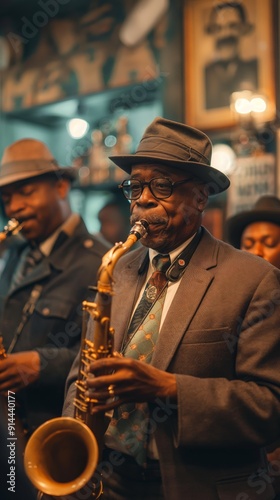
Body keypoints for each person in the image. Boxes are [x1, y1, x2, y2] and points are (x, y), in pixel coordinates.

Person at [63, 117, 280, 500]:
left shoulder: (255, 279)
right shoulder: (116, 268)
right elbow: (81, 369)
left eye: (161, 185)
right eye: (135, 186)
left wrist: (169, 389)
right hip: (108, 481)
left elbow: (271, 408)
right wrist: (72, 441)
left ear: (201, 196)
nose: (143, 198)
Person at [0, 138, 109, 439]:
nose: (15, 207)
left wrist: (42, 364)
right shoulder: (15, 253)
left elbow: (109, 354)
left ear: (61, 187)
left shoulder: (100, 262)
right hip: (10, 425)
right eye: (7, 198)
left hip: (54, 430)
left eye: (26, 192)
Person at [225, 195, 280, 498]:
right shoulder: (235, 304)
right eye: (249, 243)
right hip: (248, 450)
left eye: (269, 242)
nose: (257, 251)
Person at [204, 1, 258, 109]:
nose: (225, 34)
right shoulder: (205, 75)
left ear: (243, 29)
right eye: (219, 28)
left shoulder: (255, 69)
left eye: (233, 26)